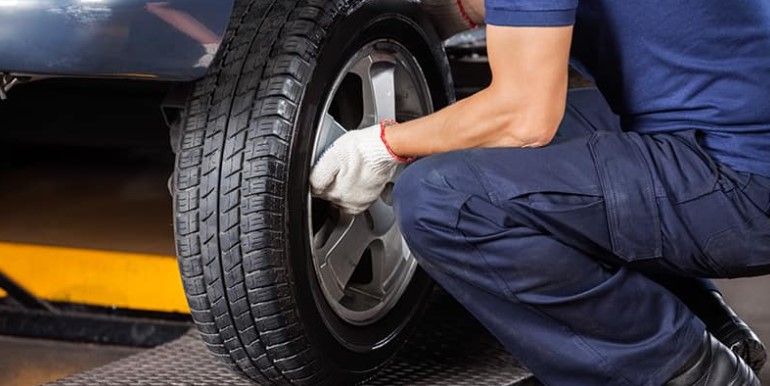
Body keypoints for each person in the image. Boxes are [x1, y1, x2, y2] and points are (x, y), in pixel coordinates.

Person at [310, 0, 770, 384]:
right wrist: (461, 13)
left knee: (442, 199)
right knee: (479, 142)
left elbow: (523, 118)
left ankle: (680, 370)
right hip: (731, 132)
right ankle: (709, 321)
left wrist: (384, 145)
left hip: (742, 183)